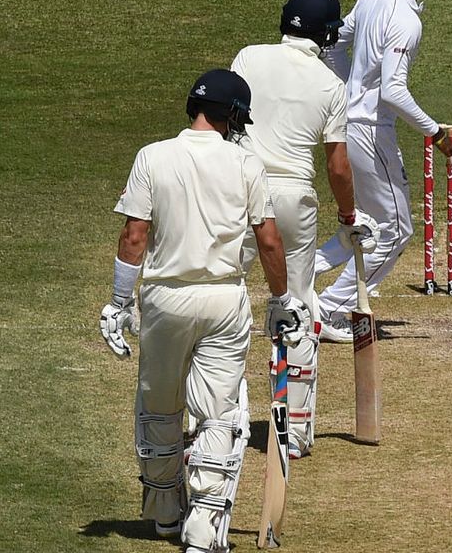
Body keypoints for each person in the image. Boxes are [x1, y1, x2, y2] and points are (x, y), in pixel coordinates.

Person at [99, 69, 308, 553]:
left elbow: (134, 236)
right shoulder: (246, 164)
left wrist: (117, 302)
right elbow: (270, 240)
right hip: (222, 299)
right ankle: (203, 528)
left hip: (165, 299)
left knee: (159, 405)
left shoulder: (152, 156)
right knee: (218, 414)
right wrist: (281, 300)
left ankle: (166, 514)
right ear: (232, 115)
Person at [230, 0, 378, 458]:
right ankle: (293, 432)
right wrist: (349, 217)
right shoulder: (329, 86)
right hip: (293, 200)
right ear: (328, 35)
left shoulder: (248, 58)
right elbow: (338, 166)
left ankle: (221, 421)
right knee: (298, 305)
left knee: (225, 298)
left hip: (240, 188)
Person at [314, 0, 452, 318]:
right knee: (394, 231)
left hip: (353, 123)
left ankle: (302, 278)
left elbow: (331, 45)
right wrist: (436, 132)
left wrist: (349, 89)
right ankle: (327, 309)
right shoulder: (405, 20)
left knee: (365, 225)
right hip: (372, 131)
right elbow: (393, 91)